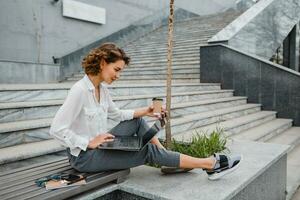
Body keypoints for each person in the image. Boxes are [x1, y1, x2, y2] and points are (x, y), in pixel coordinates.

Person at [50, 43, 241, 180]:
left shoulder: (103, 89)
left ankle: (166, 156)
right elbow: (57, 129)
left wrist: (147, 111)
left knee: (138, 122)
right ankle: (210, 165)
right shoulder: (80, 90)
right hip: (84, 158)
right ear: (102, 63)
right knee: (147, 151)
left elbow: (117, 115)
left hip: (102, 145)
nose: (118, 75)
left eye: (120, 71)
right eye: (116, 69)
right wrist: (88, 142)